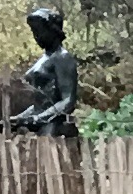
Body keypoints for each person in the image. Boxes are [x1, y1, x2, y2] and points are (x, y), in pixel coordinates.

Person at [8, 8, 79, 138]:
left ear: (52, 31)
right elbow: (40, 104)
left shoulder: (62, 58)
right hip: (41, 128)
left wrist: (38, 118)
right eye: (34, 32)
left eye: (39, 31)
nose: (36, 36)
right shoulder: (44, 59)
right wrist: (20, 118)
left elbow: (68, 100)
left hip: (54, 128)